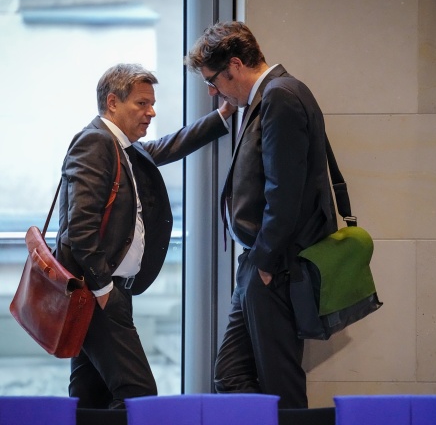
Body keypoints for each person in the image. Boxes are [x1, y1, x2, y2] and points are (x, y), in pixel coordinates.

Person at [55, 63, 234, 409]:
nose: (151, 112)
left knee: (91, 398)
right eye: (141, 103)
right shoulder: (95, 143)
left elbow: (167, 147)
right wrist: (105, 290)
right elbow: (80, 229)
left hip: (105, 292)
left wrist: (222, 116)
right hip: (97, 293)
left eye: (151, 103)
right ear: (112, 103)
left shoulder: (123, 149)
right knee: (139, 397)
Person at [185, 21, 337, 409]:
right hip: (261, 262)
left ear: (234, 65)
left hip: (275, 265)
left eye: (213, 80)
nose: (212, 91)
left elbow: (285, 191)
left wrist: (266, 262)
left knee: (280, 384)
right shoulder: (275, 94)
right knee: (232, 374)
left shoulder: (280, 96)